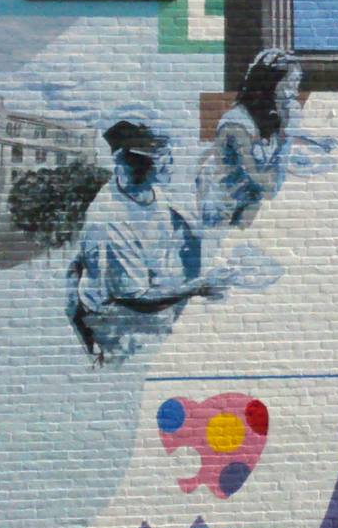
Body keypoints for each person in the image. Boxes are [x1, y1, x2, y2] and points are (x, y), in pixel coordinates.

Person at [69, 115, 241, 363]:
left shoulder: (149, 191)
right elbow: (138, 297)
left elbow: (172, 223)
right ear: (132, 164)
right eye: (161, 157)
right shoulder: (109, 222)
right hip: (119, 321)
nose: (170, 163)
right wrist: (200, 286)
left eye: (167, 154)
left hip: (155, 299)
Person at [196, 49, 333, 229]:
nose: (295, 91)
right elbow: (267, 187)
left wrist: (316, 140)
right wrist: (285, 140)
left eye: (297, 83)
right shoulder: (237, 127)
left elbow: (286, 140)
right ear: (270, 84)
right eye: (290, 84)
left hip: (251, 198)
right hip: (227, 211)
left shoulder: (270, 114)